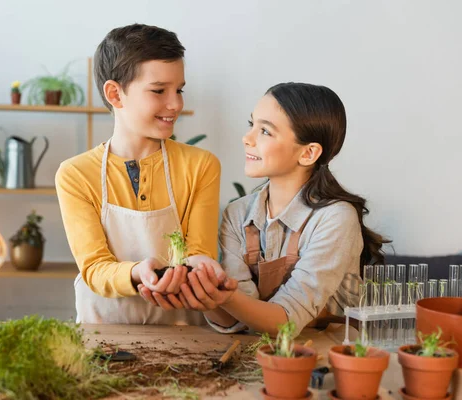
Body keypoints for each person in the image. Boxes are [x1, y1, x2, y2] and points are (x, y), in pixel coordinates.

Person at [139, 82, 389, 336]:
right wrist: (202, 294)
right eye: (252, 125)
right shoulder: (238, 214)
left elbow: (286, 322)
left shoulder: (335, 218)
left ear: (308, 153)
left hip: (330, 359)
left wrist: (224, 297)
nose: (247, 139)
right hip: (260, 355)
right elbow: (236, 321)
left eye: (266, 131)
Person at [55, 23, 221, 325]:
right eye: (159, 91)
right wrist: (137, 272)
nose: (176, 104)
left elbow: (198, 251)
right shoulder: (76, 174)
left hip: (185, 338)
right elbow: (94, 268)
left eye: (179, 90)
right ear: (115, 94)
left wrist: (200, 267)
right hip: (103, 338)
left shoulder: (201, 166)